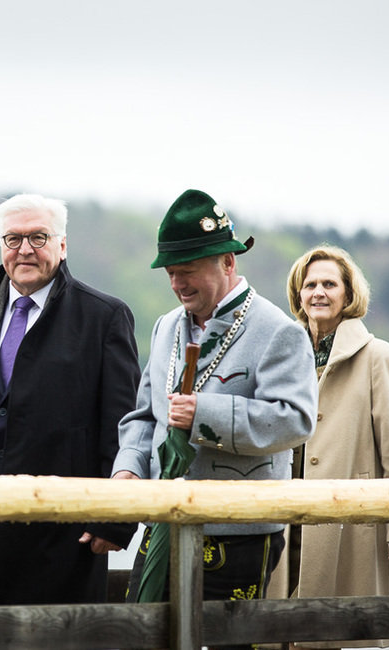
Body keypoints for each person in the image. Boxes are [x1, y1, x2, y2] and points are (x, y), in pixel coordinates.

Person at [112, 189, 318, 628]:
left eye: (187, 271)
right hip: (163, 523)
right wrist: (128, 470)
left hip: (238, 530)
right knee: (140, 634)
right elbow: (144, 416)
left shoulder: (279, 331)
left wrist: (203, 413)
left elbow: (295, 420)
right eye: (170, 273)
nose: (177, 284)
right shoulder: (166, 326)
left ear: (229, 262)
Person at [0, 193, 141, 606]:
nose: (24, 249)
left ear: (62, 246)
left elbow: (122, 425)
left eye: (38, 237)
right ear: (1, 247)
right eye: (13, 239)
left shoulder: (104, 317)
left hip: (59, 534)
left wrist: (114, 518)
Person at [272, 245, 389, 650]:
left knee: (340, 632)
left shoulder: (378, 356)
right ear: (298, 294)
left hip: (350, 522)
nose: (318, 292)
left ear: (348, 293)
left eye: (329, 284)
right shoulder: (283, 355)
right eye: (309, 285)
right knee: (279, 630)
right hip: (284, 518)